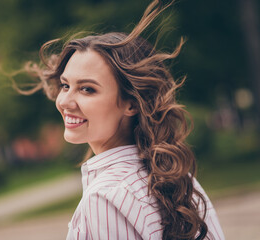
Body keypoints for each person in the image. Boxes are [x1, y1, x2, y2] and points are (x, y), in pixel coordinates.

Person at [14, 0, 225, 239]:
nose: (64, 102)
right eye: (65, 85)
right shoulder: (179, 178)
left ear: (131, 103)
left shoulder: (104, 197)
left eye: (87, 89)